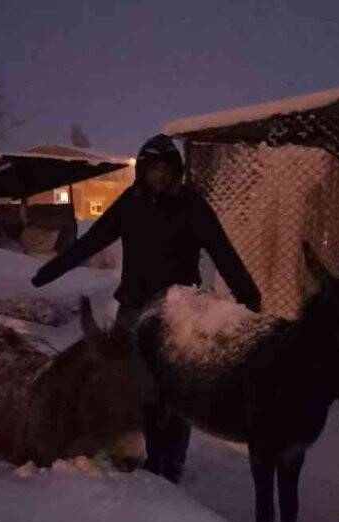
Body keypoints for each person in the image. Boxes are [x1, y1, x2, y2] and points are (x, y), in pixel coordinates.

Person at [30, 134, 261, 482]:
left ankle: (171, 468)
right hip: (135, 309)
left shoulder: (191, 204)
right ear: (142, 171)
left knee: (175, 392)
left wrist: (249, 297)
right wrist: (48, 272)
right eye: (153, 169)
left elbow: (222, 250)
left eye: (166, 169)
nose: (160, 176)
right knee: (133, 385)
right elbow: (93, 240)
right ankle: (142, 460)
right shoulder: (131, 203)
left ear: (177, 171)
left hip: (178, 311)